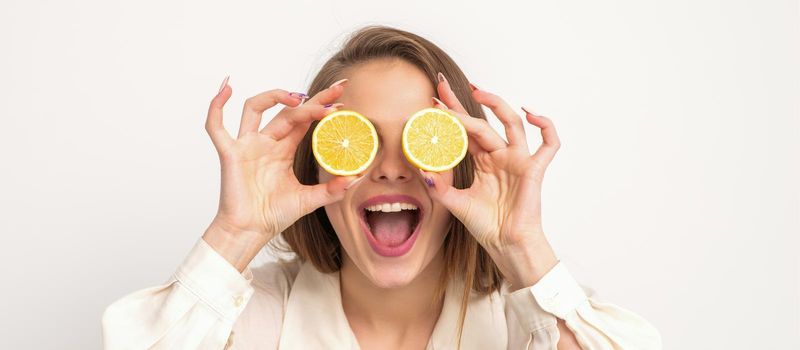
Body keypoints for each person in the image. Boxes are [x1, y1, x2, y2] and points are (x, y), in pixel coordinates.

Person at [101, 26, 662, 349]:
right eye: (358, 139)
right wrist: (236, 231)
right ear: (316, 164)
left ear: (464, 161)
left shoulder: (530, 325)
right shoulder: (251, 322)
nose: (391, 169)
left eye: (422, 139)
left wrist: (523, 247)